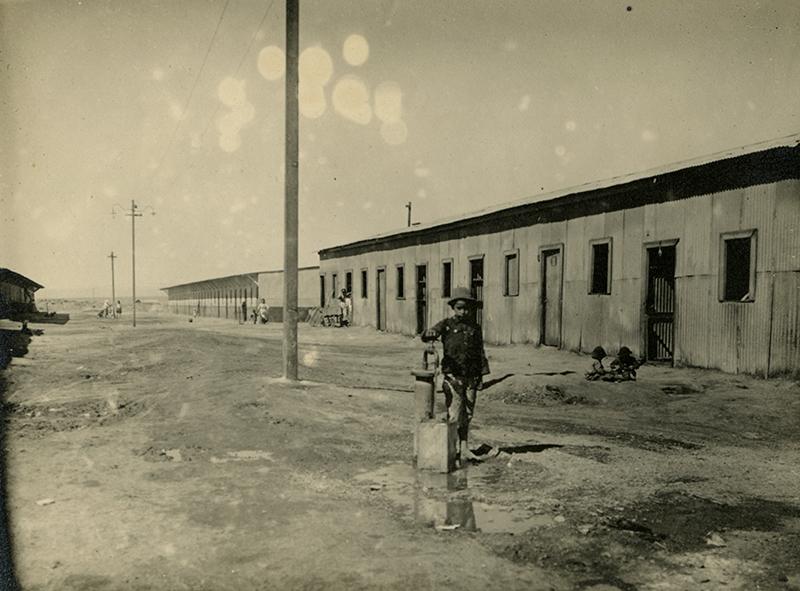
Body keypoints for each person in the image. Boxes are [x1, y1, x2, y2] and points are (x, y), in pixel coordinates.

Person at [422, 287, 490, 466]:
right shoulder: (446, 325)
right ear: (453, 307)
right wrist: (428, 334)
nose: (463, 311)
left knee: (467, 414)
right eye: (459, 307)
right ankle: (451, 449)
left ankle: (464, 447)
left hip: (471, 377)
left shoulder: (475, 328)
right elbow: (430, 334)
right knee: (454, 413)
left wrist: (481, 376)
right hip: (453, 376)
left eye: (467, 308)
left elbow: (480, 352)